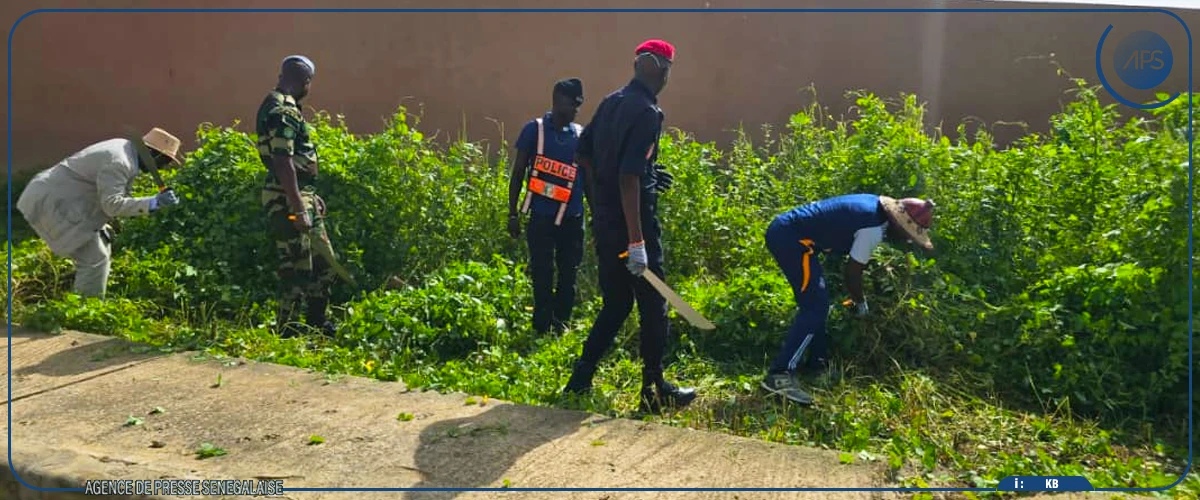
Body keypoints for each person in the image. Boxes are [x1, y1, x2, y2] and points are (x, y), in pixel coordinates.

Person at [562, 39, 694, 414]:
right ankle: (654, 391)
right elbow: (628, 178)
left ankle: (580, 378)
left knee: (618, 303)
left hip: (607, 224)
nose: (668, 77)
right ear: (659, 69)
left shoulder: (611, 102)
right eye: (667, 69)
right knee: (654, 307)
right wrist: (637, 241)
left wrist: (604, 200)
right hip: (633, 229)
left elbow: (584, 155)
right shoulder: (648, 112)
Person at [761, 193, 936, 404]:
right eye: (908, 236)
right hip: (792, 241)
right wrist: (860, 302)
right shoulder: (872, 228)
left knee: (818, 304)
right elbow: (852, 272)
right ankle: (779, 375)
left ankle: (817, 364)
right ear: (899, 225)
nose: (906, 241)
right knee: (815, 307)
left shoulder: (873, 206)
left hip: (796, 237)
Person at [16, 128, 184, 299]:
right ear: (152, 153)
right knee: (95, 260)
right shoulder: (120, 161)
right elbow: (112, 204)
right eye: (164, 161)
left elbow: (107, 194)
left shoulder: (125, 150)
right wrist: (154, 202)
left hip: (60, 199)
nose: (163, 167)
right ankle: (84, 314)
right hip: (53, 203)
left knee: (102, 242)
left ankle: (75, 300)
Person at [257, 54, 338, 338]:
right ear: (305, 82)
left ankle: (317, 323)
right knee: (296, 266)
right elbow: (282, 160)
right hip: (286, 198)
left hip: (298, 195)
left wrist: (308, 197)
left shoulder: (277, 105)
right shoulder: (285, 111)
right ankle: (288, 330)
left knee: (323, 261)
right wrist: (298, 206)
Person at [507, 78, 589, 335]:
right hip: (541, 218)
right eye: (571, 103)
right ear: (556, 101)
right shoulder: (535, 130)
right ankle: (541, 326)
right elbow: (518, 172)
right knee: (542, 273)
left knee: (569, 274)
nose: (576, 109)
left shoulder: (580, 135)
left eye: (579, 104)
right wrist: (513, 213)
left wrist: (598, 217)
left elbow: (590, 181)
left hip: (572, 219)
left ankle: (560, 324)